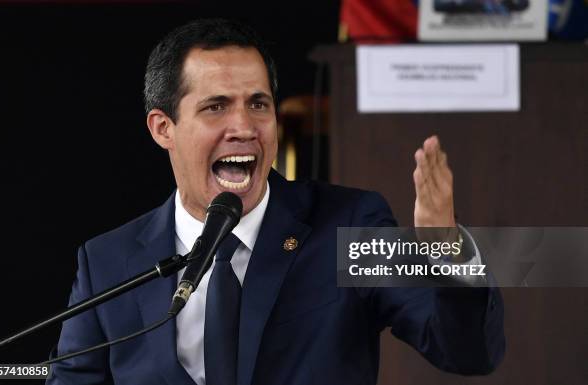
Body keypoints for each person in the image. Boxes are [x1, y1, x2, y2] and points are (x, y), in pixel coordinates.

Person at [48, 18, 504, 385]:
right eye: (216, 106)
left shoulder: (348, 227)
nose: (244, 127)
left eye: (259, 104)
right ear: (163, 127)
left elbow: (467, 352)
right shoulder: (108, 261)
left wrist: (445, 248)